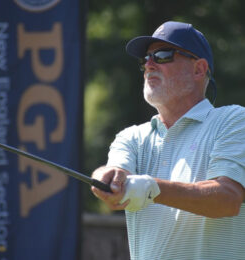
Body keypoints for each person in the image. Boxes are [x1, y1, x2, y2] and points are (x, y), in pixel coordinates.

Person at [91, 21, 245, 260]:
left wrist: (153, 187)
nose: (149, 65)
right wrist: (105, 177)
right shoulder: (131, 137)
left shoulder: (234, 120)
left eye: (162, 56)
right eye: (145, 60)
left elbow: (227, 199)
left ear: (198, 70)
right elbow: (115, 169)